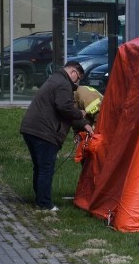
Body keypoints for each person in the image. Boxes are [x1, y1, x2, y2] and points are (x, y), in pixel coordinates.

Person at [19, 61, 93, 211]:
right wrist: (80, 113)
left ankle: (40, 198)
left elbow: (64, 111)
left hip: (31, 129)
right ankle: (44, 204)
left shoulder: (54, 79)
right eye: (78, 77)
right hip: (45, 132)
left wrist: (84, 125)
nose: (77, 82)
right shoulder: (63, 84)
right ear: (73, 72)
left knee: (39, 168)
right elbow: (64, 108)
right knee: (46, 168)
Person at [72, 84, 104, 163]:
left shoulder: (85, 95)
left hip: (98, 134)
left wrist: (91, 139)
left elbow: (100, 117)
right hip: (89, 132)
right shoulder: (76, 94)